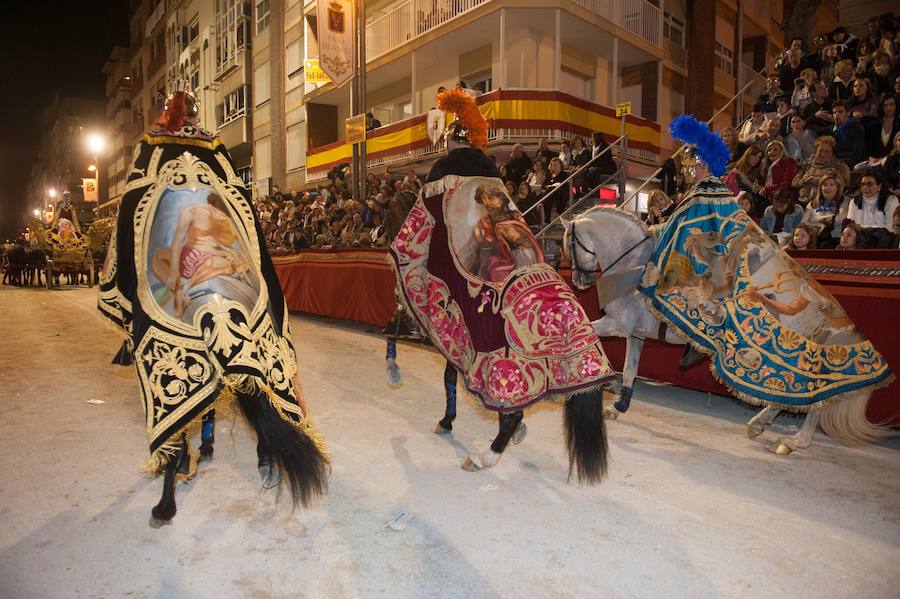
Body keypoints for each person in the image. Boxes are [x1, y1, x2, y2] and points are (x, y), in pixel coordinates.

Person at [638, 113, 891, 413]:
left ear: (703, 165)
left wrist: (650, 235)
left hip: (722, 266)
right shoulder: (719, 193)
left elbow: (679, 229)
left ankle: (701, 336)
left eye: (692, 165)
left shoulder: (703, 193)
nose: (689, 170)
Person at [792, 135, 851, 204]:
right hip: (803, 202)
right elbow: (794, 182)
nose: (823, 154)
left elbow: (845, 184)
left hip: (827, 202)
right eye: (820, 150)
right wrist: (805, 181)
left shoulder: (839, 167)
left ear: (832, 152)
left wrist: (824, 182)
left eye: (827, 151)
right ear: (816, 151)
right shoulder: (808, 164)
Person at [803, 174, 850, 247]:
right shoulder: (813, 203)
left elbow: (840, 219)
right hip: (813, 236)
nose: (828, 188)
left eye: (831, 185)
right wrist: (825, 220)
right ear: (821, 188)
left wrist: (817, 220)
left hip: (834, 237)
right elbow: (803, 223)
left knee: (824, 245)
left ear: (837, 188)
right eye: (825, 185)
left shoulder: (845, 201)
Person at [831, 101, 868, 168]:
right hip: (834, 161)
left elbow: (857, 153)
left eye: (840, 112)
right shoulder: (831, 129)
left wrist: (836, 158)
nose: (837, 115)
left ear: (848, 113)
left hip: (853, 162)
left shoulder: (856, 128)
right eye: (834, 112)